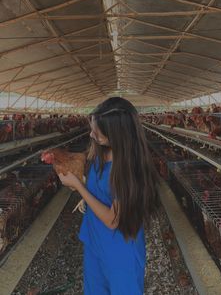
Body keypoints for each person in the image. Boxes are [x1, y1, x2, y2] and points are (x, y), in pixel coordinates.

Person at [59, 97, 159, 295]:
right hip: (95, 242)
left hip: (120, 252)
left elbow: (114, 220)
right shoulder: (99, 154)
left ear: (117, 136)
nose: (91, 134)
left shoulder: (129, 169)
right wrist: (87, 195)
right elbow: (100, 187)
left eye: (97, 132)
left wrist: (79, 187)